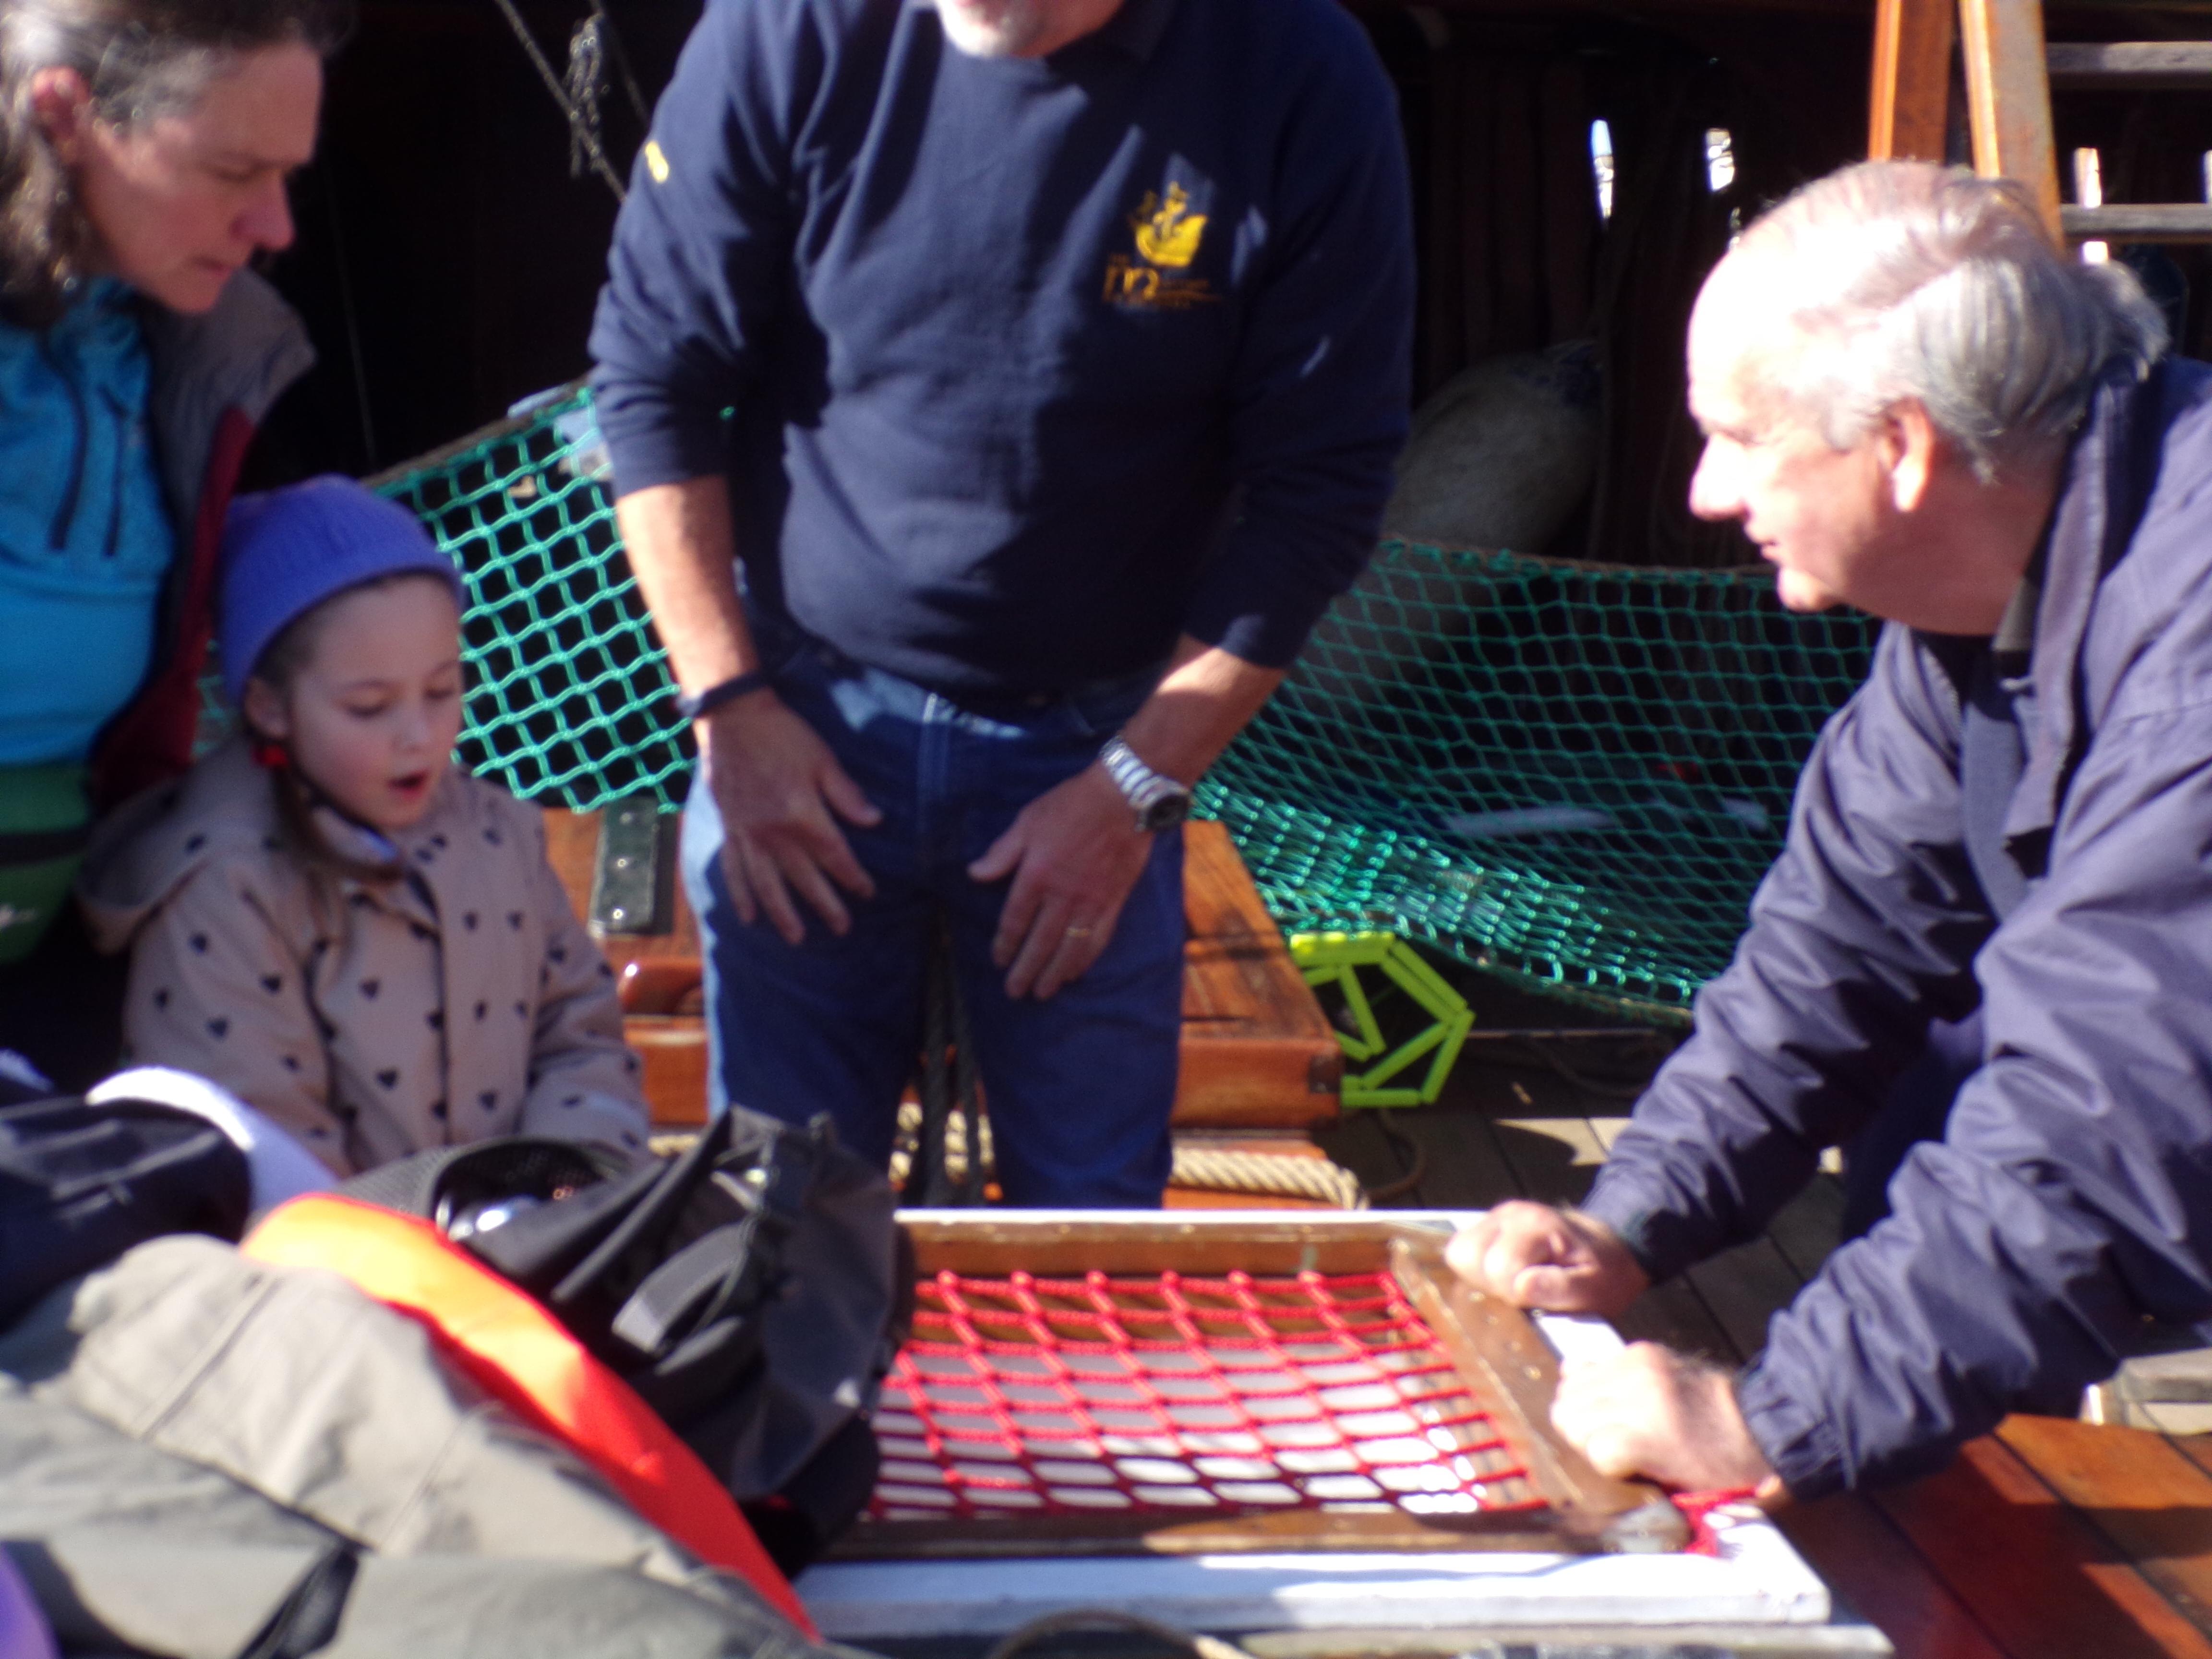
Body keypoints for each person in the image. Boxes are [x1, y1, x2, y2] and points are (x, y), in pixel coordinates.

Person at [1449, 159, 2203, 1503]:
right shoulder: (1978, 593)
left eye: (1739, 436)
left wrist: (1774, 1423)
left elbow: (2113, 1103)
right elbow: (1841, 944)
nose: (1704, 491)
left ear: (1903, 445)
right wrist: (1629, 1221)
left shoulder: (2189, 658)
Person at [587, 0, 1413, 1202]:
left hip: (1101, 744)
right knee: (778, 1227)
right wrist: (729, 708)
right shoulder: (787, 28)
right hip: (798, 720)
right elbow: (650, 380)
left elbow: (1323, 492)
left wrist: (1134, 785)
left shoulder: (1297, 68)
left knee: (1093, 1231)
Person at [76, 477, 651, 1176]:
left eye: (441, 690)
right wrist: (434, 1227)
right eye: (369, 707)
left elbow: (581, 1034)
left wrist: (564, 1190)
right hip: (339, 1243)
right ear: (268, 706)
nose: (419, 735)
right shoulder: (227, 883)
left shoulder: (500, 831)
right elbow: (268, 1151)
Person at [0, 0, 346, 1088]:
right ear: (66, 117)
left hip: (61, 971)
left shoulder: (186, 345)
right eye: (233, 171)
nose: (276, 227)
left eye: (286, 178)